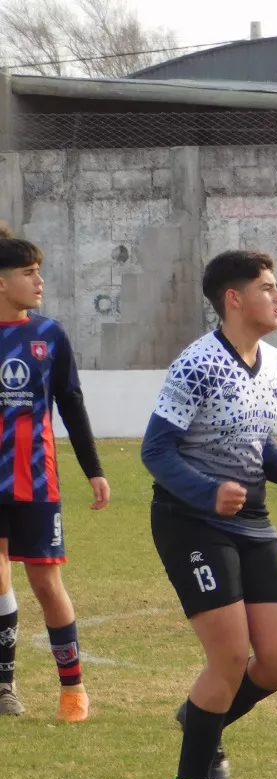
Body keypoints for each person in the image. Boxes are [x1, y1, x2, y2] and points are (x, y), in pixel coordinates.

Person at [141, 250, 277, 779]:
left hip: (251, 520)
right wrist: (207, 493)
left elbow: (251, 440)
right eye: (267, 287)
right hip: (189, 522)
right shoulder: (197, 363)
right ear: (233, 299)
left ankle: (198, 716)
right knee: (232, 655)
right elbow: (156, 450)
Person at [0, 225, 110, 722]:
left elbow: (71, 402)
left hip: (36, 482)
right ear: (2, 283)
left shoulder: (49, 334)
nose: (39, 280)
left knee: (47, 586)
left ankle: (73, 689)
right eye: (28, 272)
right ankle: (6, 687)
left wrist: (94, 470)